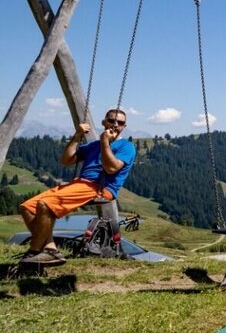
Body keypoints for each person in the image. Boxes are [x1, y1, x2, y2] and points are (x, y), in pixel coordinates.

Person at [18, 109, 137, 266]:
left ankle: (34, 251)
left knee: (44, 205)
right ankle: (50, 249)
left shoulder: (126, 147)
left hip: (99, 188)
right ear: (104, 122)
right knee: (27, 207)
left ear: (124, 126)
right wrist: (77, 136)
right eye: (111, 120)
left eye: (120, 122)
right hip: (80, 184)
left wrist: (104, 142)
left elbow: (111, 169)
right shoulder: (93, 145)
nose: (115, 125)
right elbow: (66, 160)